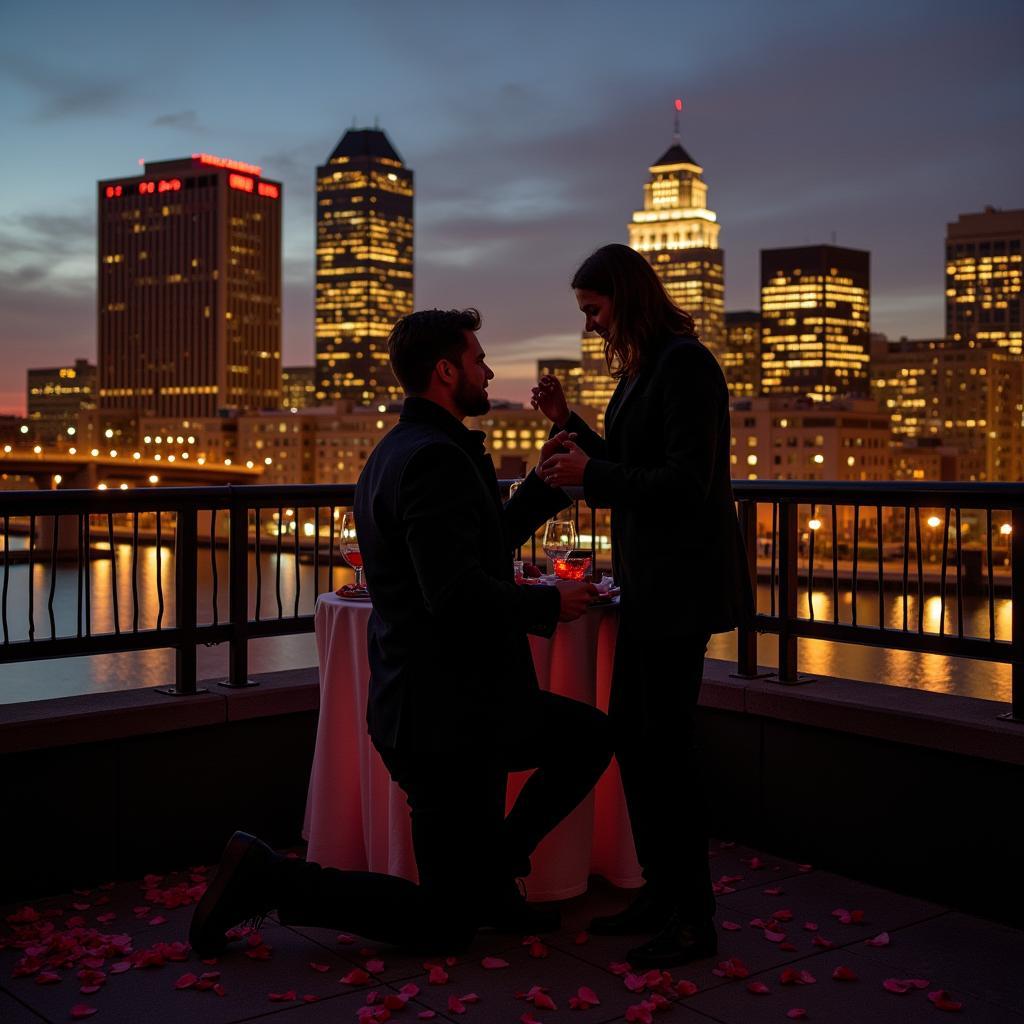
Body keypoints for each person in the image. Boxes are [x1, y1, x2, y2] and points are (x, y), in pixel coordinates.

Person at [190, 307, 611, 958]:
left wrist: (538, 487)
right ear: (445, 371)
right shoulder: (435, 460)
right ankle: (267, 878)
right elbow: (453, 592)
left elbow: (473, 549)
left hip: (457, 705)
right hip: (445, 719)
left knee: (584, 740)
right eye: (477, 359)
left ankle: (490, 881)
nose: (488, 371)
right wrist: (548, 603)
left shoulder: (403, 450)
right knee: (444, 924)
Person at [532, 244, 754, 969]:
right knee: (636, 739)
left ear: (626, 297)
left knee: (665, 751)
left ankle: (694, 918)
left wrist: (592, 469)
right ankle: (663, 895)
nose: (591, 326)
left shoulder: (685, 364)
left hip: (680, 589)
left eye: (594, 310)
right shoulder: (645, 369)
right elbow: (635, 464)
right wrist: (575, 427)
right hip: (652, 588)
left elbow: (684, 481)